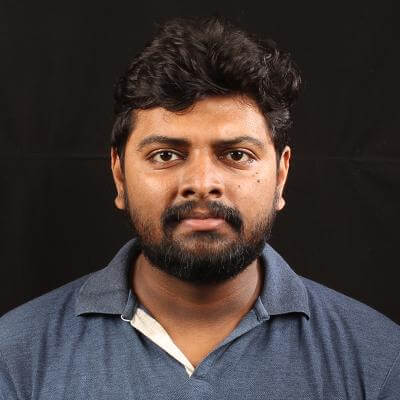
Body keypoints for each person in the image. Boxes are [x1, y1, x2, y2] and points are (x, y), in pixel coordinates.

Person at [1, 15, 399, 399]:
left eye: (237, 155)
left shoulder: (380, 360)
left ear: (280, 175)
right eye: (166, 155)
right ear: (119, 175)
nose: (202, 183)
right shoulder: (15, 357)